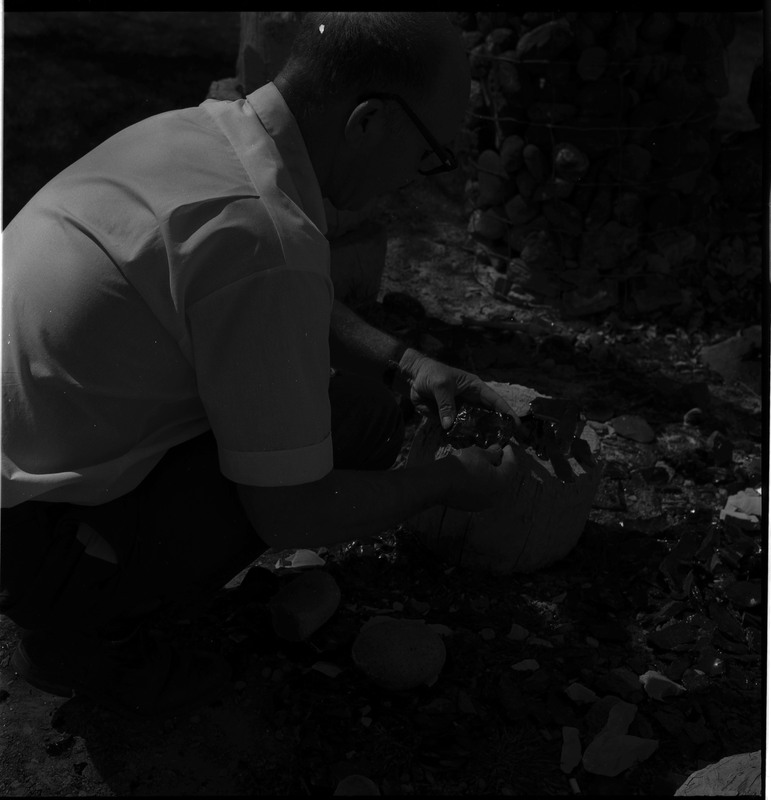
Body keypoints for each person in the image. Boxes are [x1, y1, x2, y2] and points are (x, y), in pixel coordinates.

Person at [1, 11, 520, 718]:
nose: (418, 178)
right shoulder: (261, 235)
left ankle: (104, 571)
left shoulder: (199, 135)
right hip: (31, 541)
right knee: (311, 462)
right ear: (368, 122)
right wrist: (444, 484)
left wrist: (407, 361)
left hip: (26, 466)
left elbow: (249, 292)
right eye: (430, 152)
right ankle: (84, 640)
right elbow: (290, 510)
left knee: (363, 411)